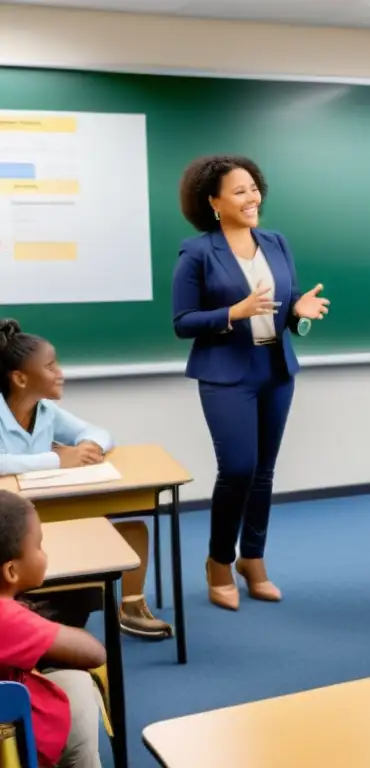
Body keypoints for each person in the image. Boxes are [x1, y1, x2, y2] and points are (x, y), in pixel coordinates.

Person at [172, 155, 330, 611]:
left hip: (275, 370)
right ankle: (219, 562)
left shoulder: (276, 242)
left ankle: (253, 560)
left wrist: (299, 309)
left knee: (263, 473)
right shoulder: (197, 252)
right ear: (214, 202)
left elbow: (289, 299)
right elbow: (183, 322)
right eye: (239, 191)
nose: (251, 197)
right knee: (238, 469)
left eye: (254, 188)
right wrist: (232, 313)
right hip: (225, 374)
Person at [0, 320, 169, 640]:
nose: (60, 372)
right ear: (20, 378)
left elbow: (99, 433)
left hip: (48, 511)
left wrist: (89, 448)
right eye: (50, 366)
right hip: (12, 527)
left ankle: (131, 609)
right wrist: (57, 459)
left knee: (133, 530)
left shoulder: (45, 411)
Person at [0, 490, 107, 768]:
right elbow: (94, 653)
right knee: (80, 686)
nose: (44, 553)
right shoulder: (8, 618)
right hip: (13, 743)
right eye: (39, 545)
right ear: (11, 571)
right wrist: (41, 632)